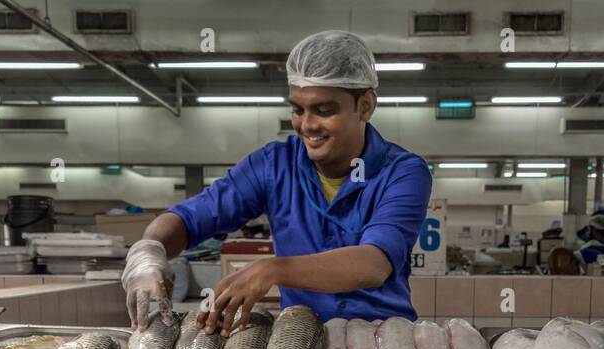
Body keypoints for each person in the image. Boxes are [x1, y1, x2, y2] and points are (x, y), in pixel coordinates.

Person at [120, 31, 432, 332]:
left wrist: (273, 269)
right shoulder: (273, 166)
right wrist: (148, 252)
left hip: (383, 340)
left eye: (324, 110)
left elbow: (373, 264)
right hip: (298, 340)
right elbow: (191, 218)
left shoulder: (403, 172)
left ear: (365, 105)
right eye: (298, 110)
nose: (307, 125)